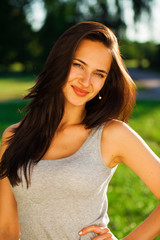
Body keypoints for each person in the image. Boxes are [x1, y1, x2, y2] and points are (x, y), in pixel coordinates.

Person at [0, 21, 160, 240]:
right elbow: (7, 228)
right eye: (79, 65)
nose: (86, 81)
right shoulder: (12, 138)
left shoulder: (112, 134)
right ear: (60, 63)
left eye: (99, 74)